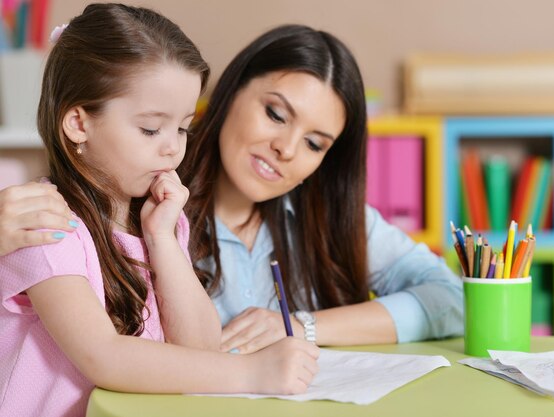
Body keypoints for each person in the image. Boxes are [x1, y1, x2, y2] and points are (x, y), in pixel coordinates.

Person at [1, 23, 463, 357]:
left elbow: (452, 300)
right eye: (276, 115)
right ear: (231, 92)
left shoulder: (326, 220)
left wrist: (300, 327)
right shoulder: (136, 200)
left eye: (314, 143)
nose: (285, 148)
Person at [0, 5, 318, 417]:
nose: (173, 147)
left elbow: (201, 348)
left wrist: (164, 240)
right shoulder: (45, 224)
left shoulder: (160, 220)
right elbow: (104, 356)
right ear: (78, 124)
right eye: (151, 128)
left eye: (182, 127)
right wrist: (252, 373)